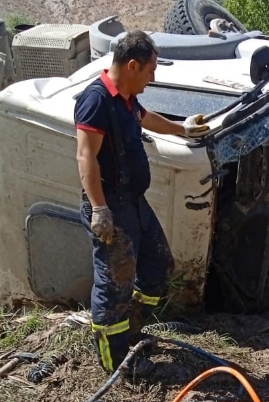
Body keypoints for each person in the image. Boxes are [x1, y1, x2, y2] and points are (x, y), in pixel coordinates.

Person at [74, 31, 209, 377]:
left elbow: (146, 119)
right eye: (150, 71)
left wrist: (182, 130)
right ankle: (115, 362)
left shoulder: (127, 98)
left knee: (158, 267)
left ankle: (130, 329)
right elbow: (86, 156)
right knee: (113, 284)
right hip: (111, 206)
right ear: (132, 65)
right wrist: (99, 209)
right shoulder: (97, 100)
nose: (153, 78)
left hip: (134, 202)